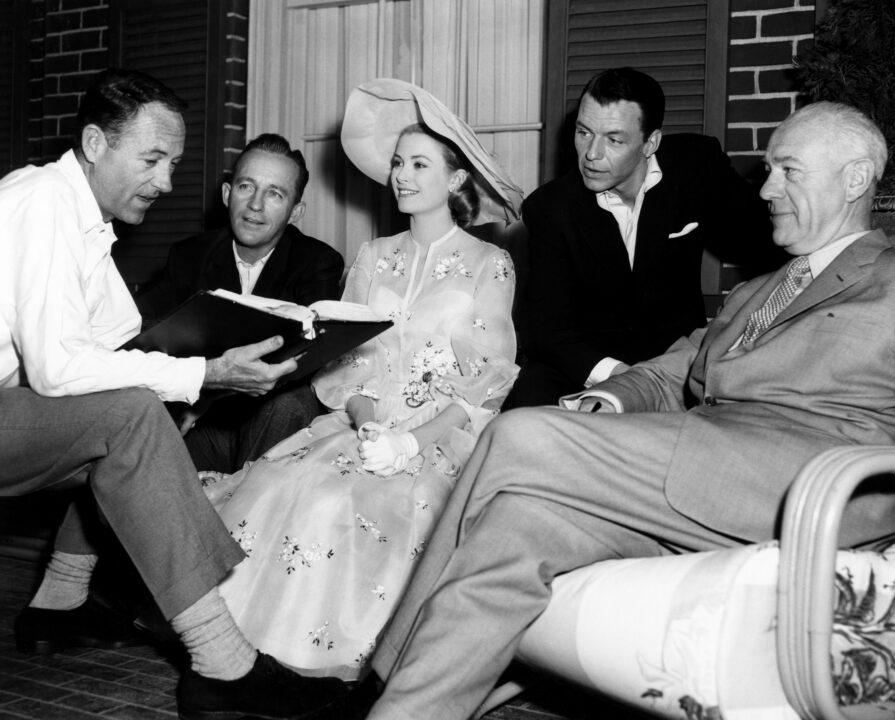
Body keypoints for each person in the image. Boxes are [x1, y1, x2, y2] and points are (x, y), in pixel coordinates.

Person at [313, 100, 895, 720]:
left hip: (806, 483)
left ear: (854, 178)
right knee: (518, 521)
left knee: (519, 436)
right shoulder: (757, 290)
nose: (767, 187)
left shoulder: (889, 281)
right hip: (697, 469)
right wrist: (612, 396)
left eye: (788, 170)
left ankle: (377, 679)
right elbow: (680, 367)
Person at [0, 67, 349, 720]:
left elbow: (122, 348)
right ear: (97, 144)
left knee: (133, 411)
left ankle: (74, 605)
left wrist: (192, 373)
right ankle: (224, 662)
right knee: (131, 414)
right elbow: (56, 368)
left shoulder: (88, 227)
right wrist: (205, 375)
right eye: (153, 159)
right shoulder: (43, 202)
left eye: (174, 163)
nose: (165, 182)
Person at [200, 78, 521, 682]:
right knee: (280, 486)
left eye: (419, 164)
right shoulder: (374, 256)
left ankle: (333, 663)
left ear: (455, 180)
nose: (401, 174)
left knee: (348, 505)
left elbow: (489, 379)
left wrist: (410, 444)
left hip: (444, 440)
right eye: (399, 162)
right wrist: (370, 425)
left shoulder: (489, 262)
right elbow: (351, 362)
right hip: (360, 426)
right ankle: (238, 657)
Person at [504, 66, 780, 409]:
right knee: (516, 427)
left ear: (651, 142)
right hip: (582, 364)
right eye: (584, 132)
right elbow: (547, 329)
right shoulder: (549, 208)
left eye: (614, 139)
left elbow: (769, 240)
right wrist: (619, 376)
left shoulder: (696, 166)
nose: (592, 154)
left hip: (673, 365)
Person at [137, 132, 345, 473]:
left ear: (295, 212)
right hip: (203, 424)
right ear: (227, 193)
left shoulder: (317, 261)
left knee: (290, 404)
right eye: (246, 187)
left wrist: (209, 392)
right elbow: (144, 329)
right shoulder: (189, 256)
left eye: (275, 194)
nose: (256, 205)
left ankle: (251, 522)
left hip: (273, 421)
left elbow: (307, 361)